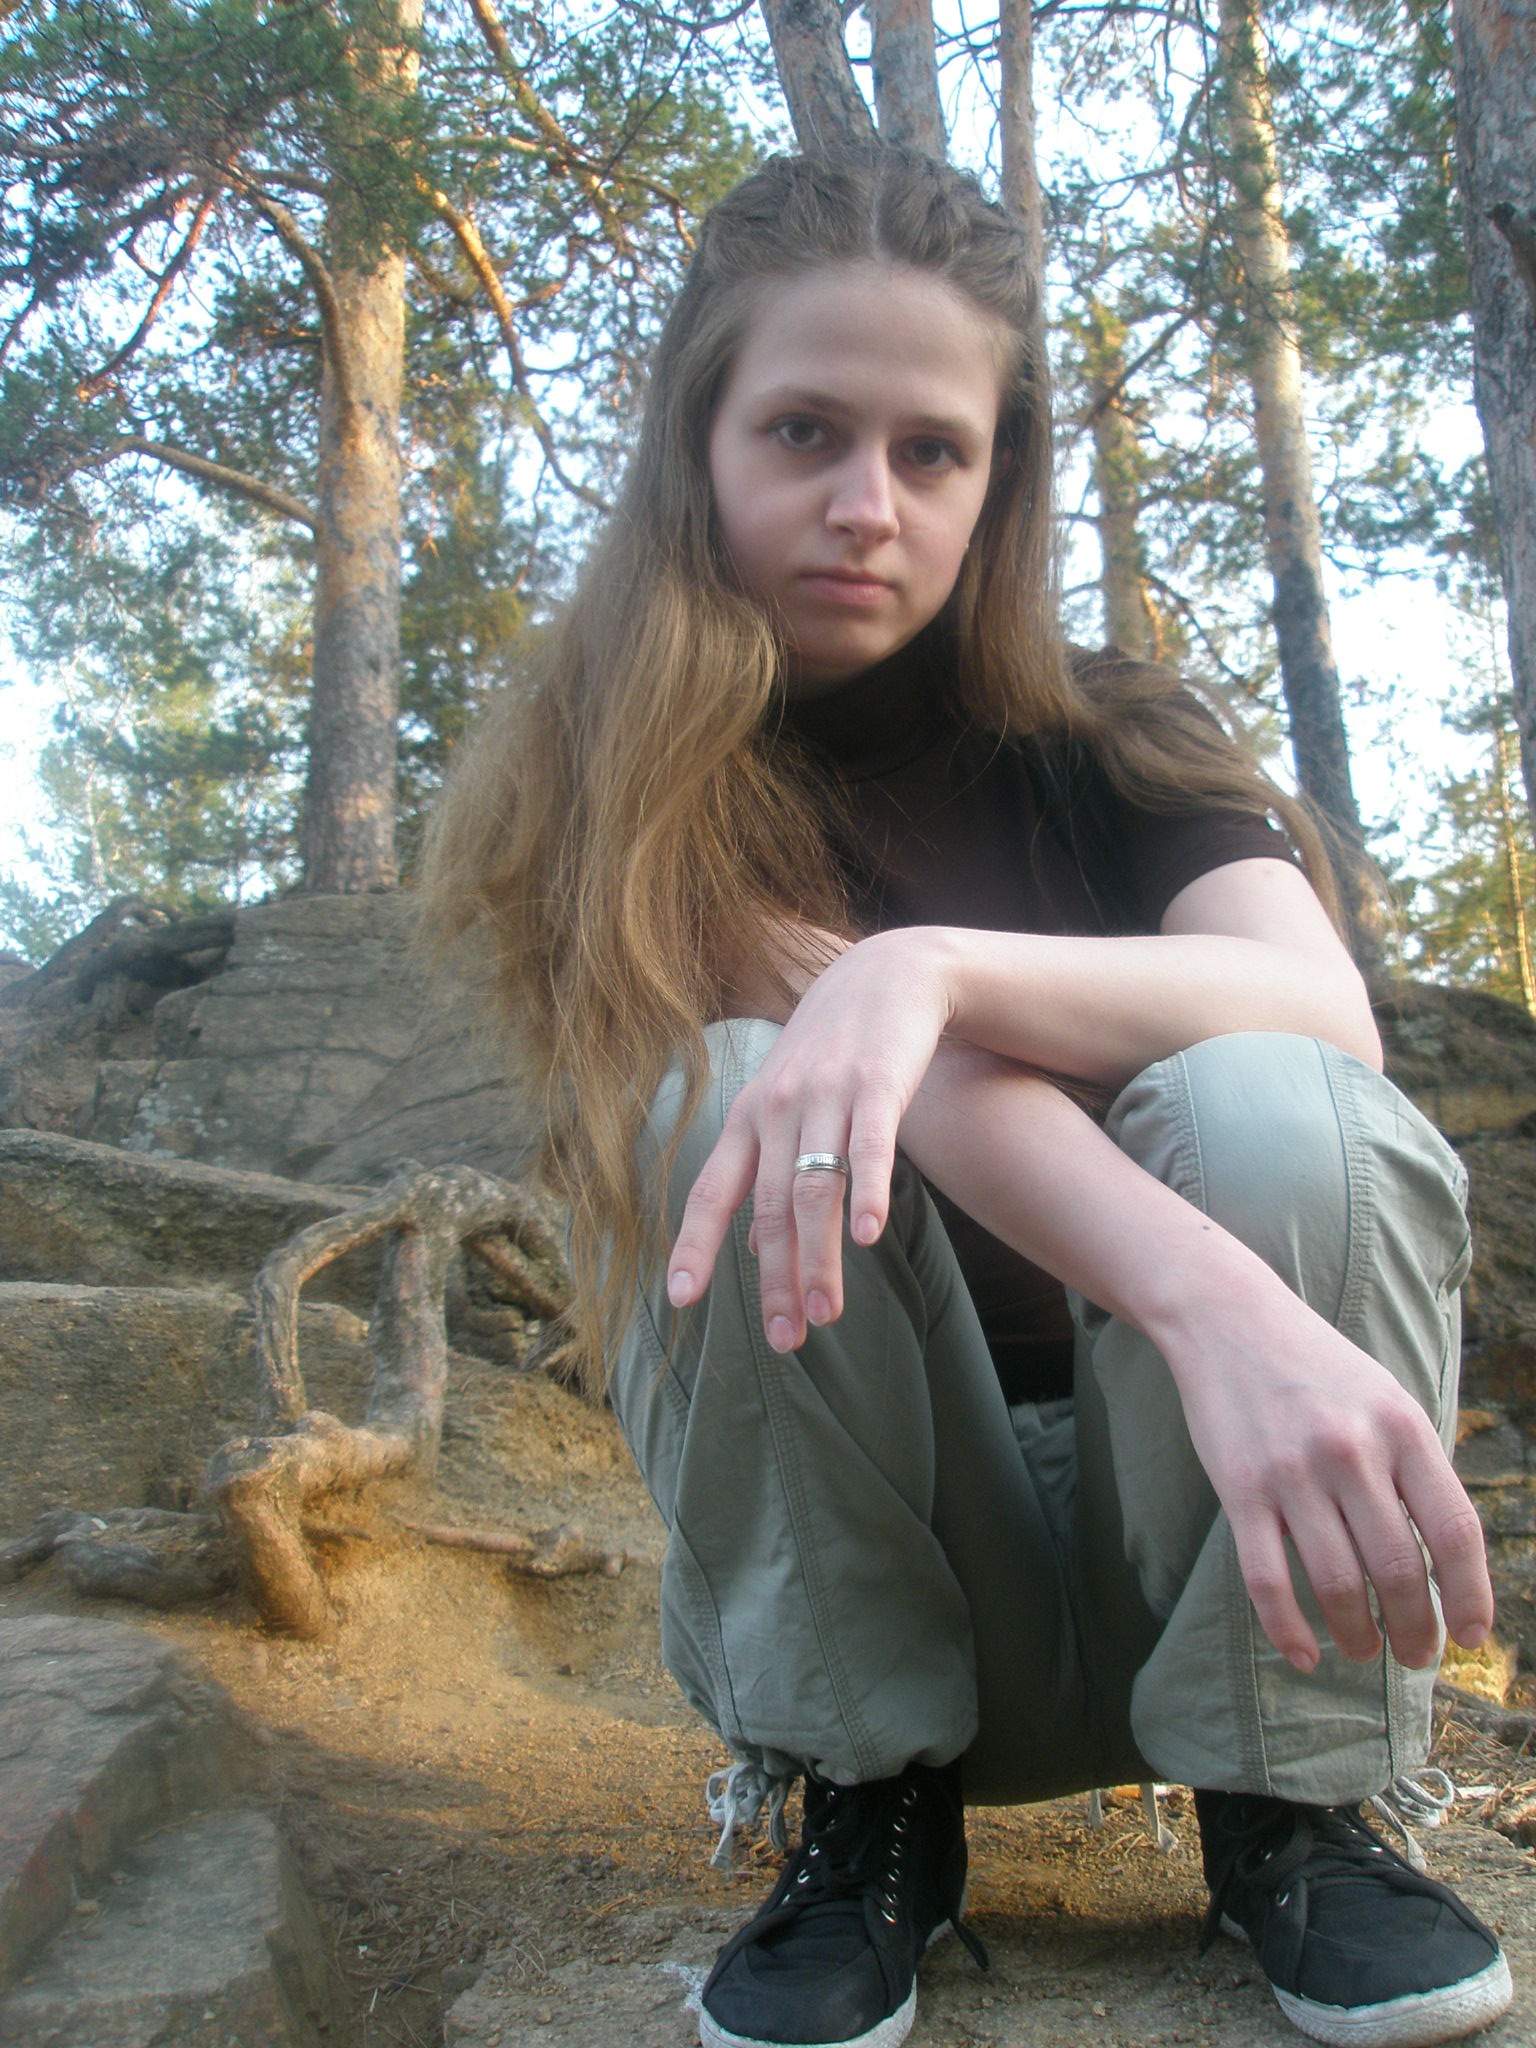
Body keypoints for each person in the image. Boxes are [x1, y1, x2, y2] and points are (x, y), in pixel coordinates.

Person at [422, 145, 1514, 2048]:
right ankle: (862, 1814)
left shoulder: (1118, 733)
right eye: (805, 432)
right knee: (729, 1095)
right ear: (698, 443)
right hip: (903, 1575)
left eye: (933, 451)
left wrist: (924, 965)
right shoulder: (632, 783)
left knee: (1284, 1103)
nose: (868, 505)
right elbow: (917, 1111)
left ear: (999, 483)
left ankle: (1301, 1806)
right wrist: (1218, 1301)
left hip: (1228, 1544)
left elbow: (1317, 1006)